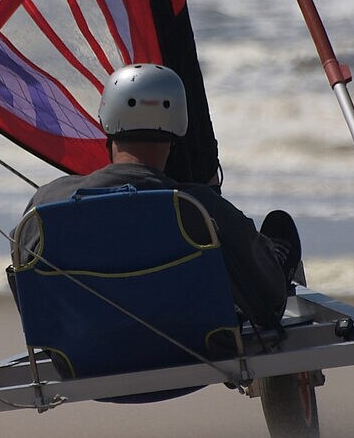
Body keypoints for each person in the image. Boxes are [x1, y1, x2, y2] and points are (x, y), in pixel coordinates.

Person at [17, 63, 301, 330]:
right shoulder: (200, 209)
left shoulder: (47, 203)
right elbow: (269, 304)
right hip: (195, 348)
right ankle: (268, 255)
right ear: (179, 127)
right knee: (265, 246)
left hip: (80, 353)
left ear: (106, 122)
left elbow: (30, 299)